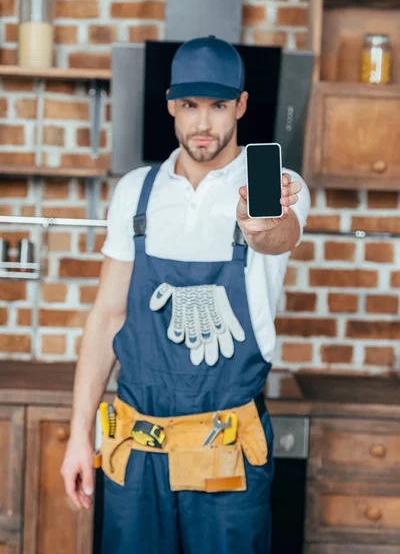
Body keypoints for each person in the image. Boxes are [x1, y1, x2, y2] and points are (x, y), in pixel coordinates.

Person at [61, 35, 310, 554]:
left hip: (227, 450)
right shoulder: (137, 191)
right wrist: (79, 437)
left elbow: (277, 235)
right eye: (191, 105)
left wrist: (254, 222)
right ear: (171, 103)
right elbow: (107, 317)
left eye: (219, 106)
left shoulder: (278, 185)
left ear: (241, 105)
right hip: (137, 448)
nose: (203, 123)